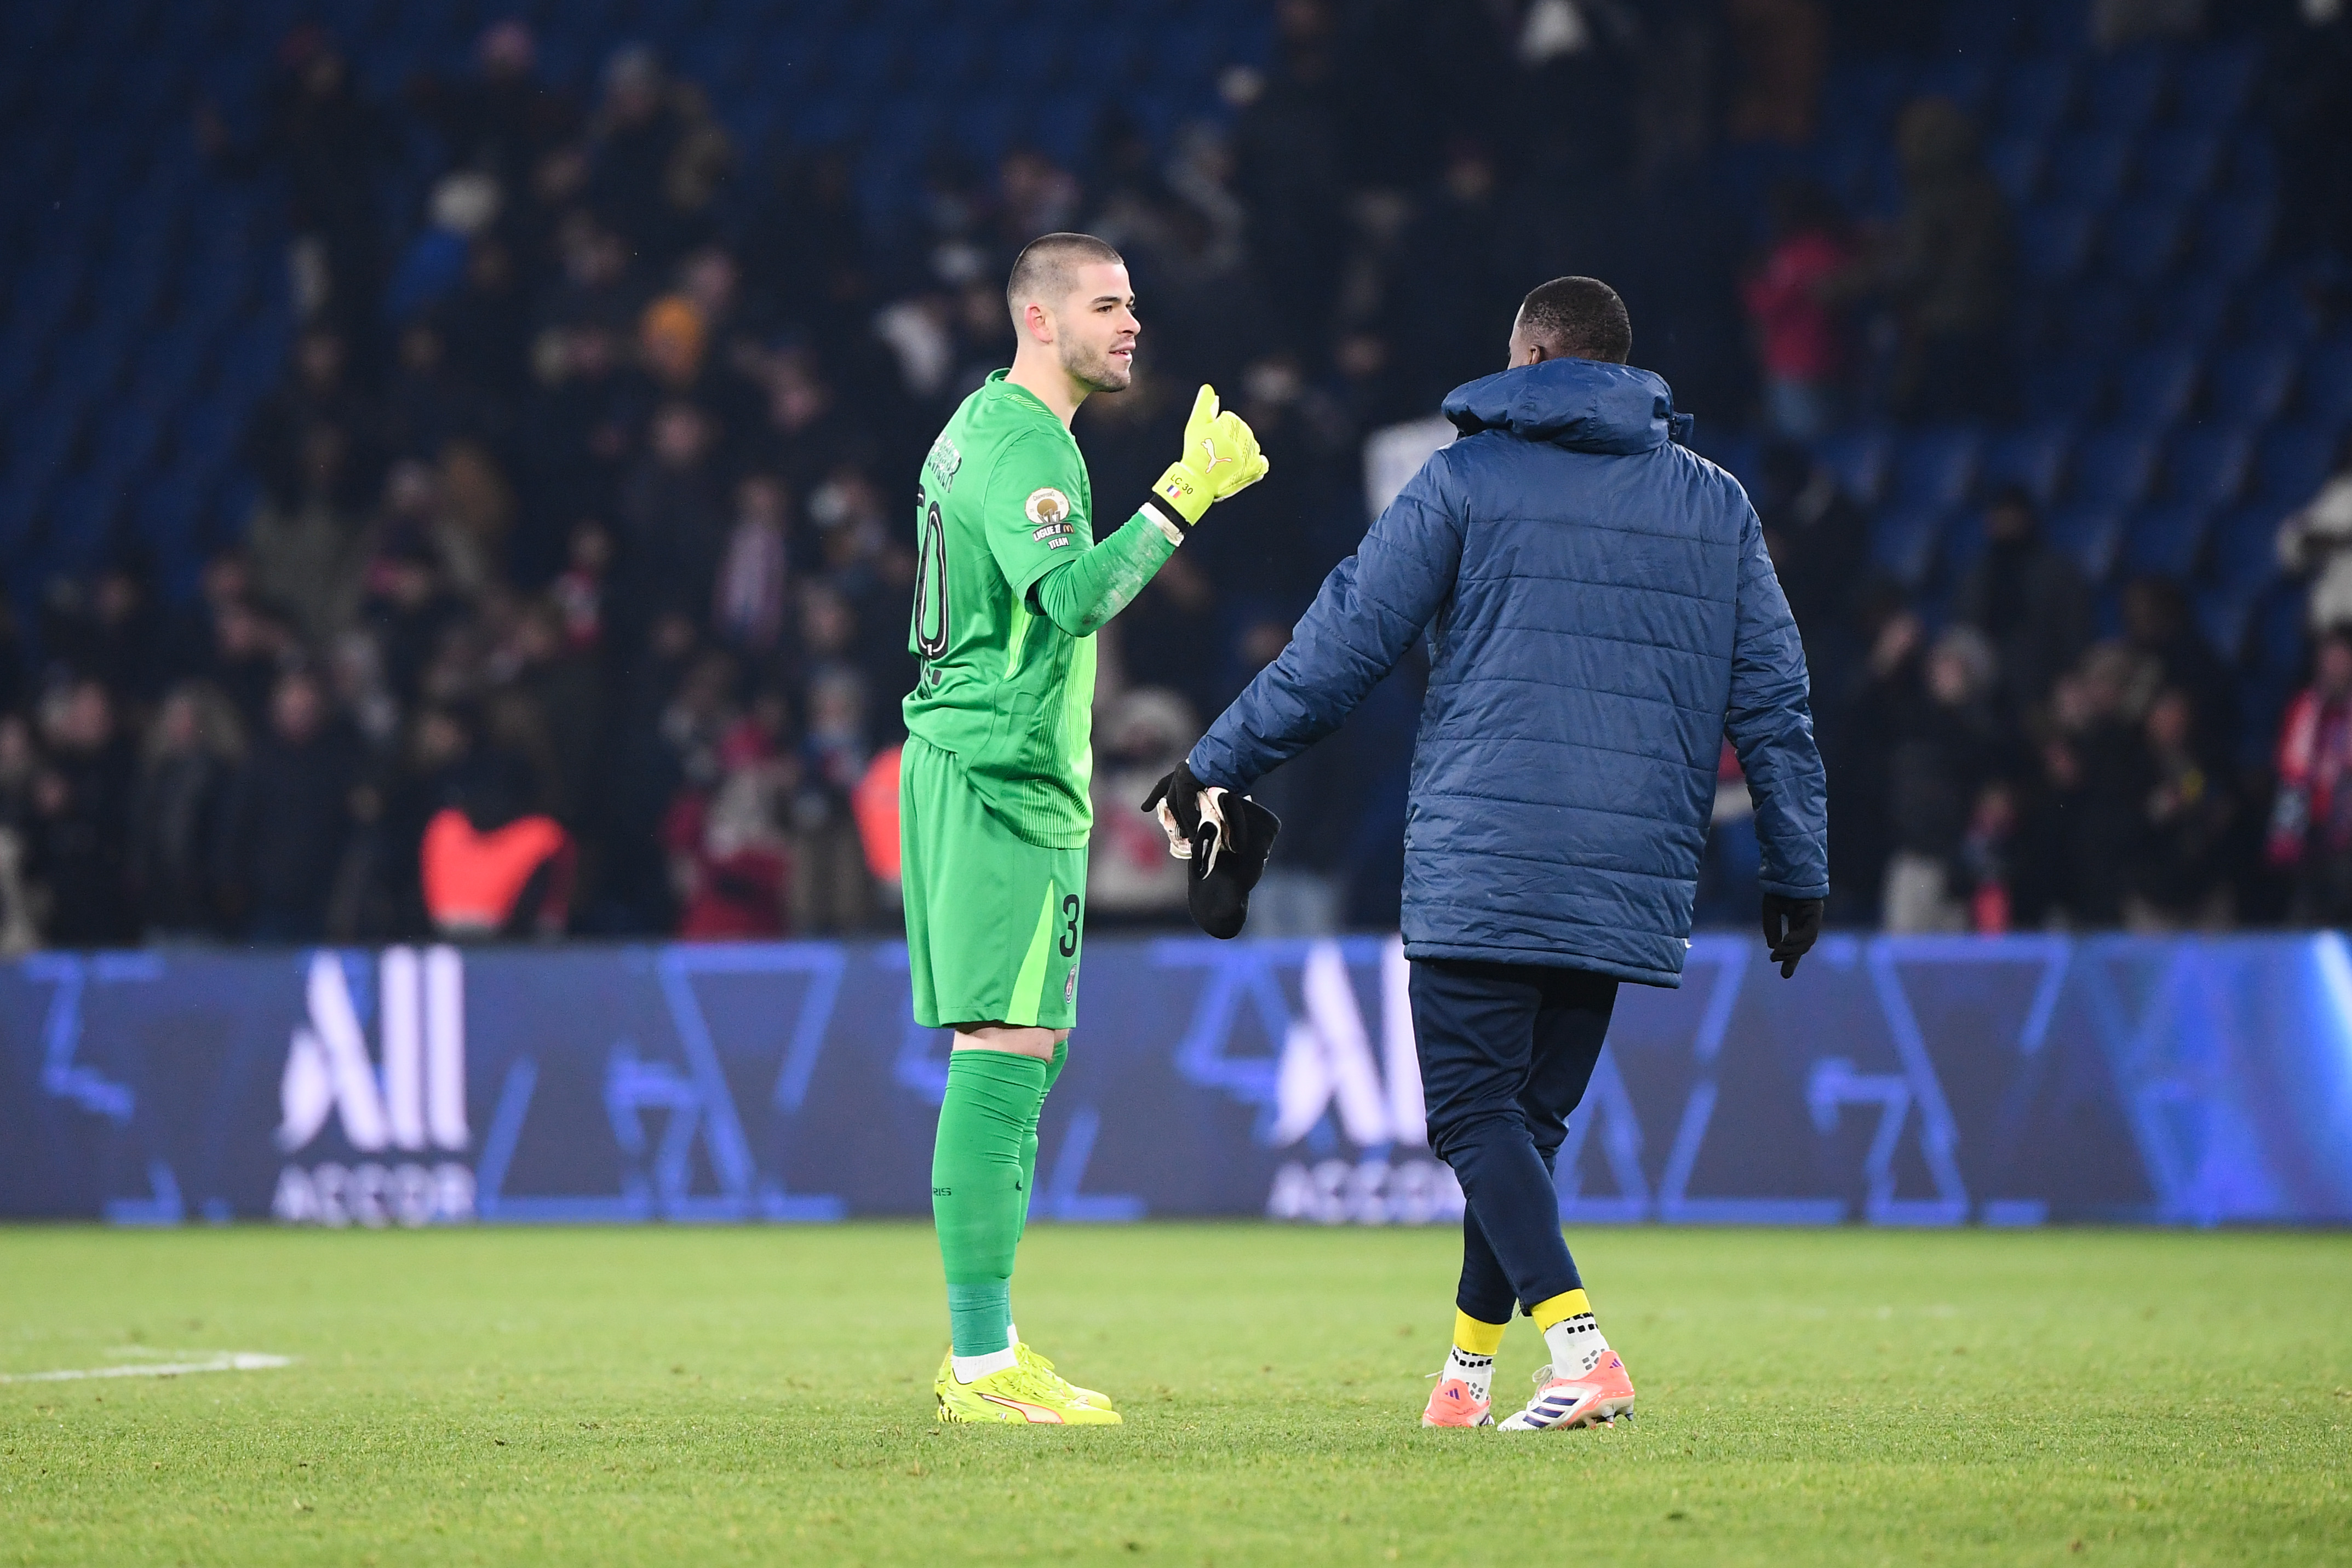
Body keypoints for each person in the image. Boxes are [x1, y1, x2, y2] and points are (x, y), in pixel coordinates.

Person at [1151, 278, 1827, 1432]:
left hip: (1489, 849)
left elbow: (1338, 649)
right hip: (1633, 867)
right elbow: (1774, 702)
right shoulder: (1714, 505)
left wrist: (1214, 763)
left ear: (1525, 357)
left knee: (1470, 1114)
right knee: (1521, 1125)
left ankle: (1581, 1352)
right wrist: (1795, 864)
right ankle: (1464, 1380)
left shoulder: (1464, 479)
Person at [903, 233, 1267, 1425]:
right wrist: (1187, 493)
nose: (1132, 326)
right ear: (1040, 320)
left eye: (1134, 305)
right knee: (1001, 1054)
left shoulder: (992, 426)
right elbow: (1072, 599)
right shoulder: (1023, 447)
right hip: (996, 776)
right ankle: (977, 1362)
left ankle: (987, 1346)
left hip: (1007, 774)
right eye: (1107, 306)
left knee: (1022, 1053)